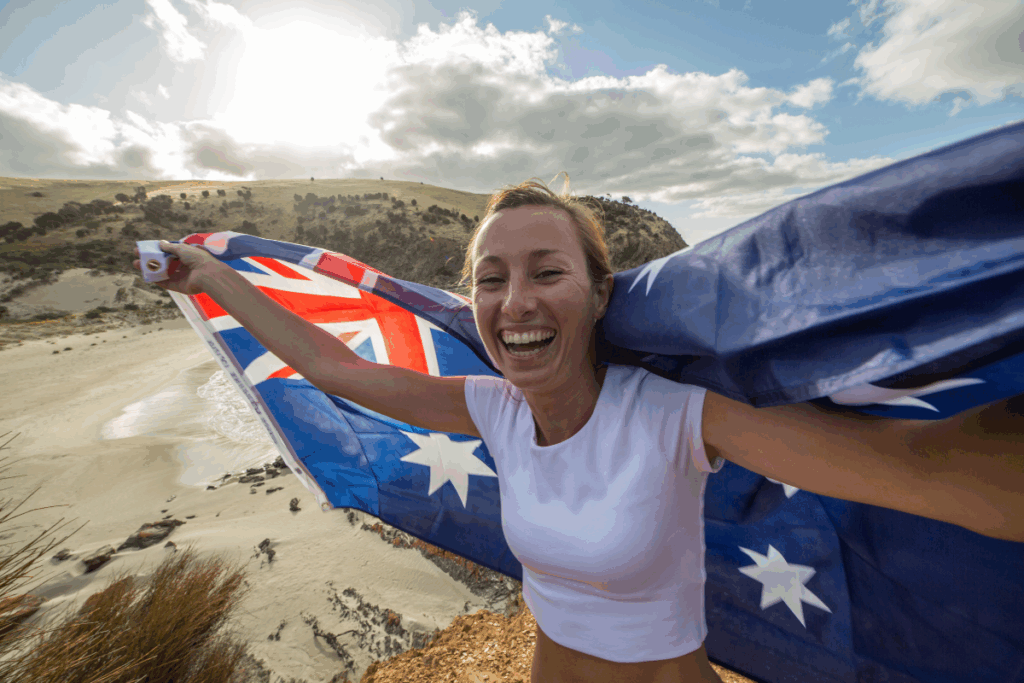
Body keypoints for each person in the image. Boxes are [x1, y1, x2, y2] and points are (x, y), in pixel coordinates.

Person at [134, 179, 1023, 683]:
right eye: (491, 279)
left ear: (600, 294)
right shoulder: (492, 408)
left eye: (546, 272)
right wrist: (211, 277)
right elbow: (337, 368)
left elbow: (913, 471)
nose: (515, 301)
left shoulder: (677, 416)